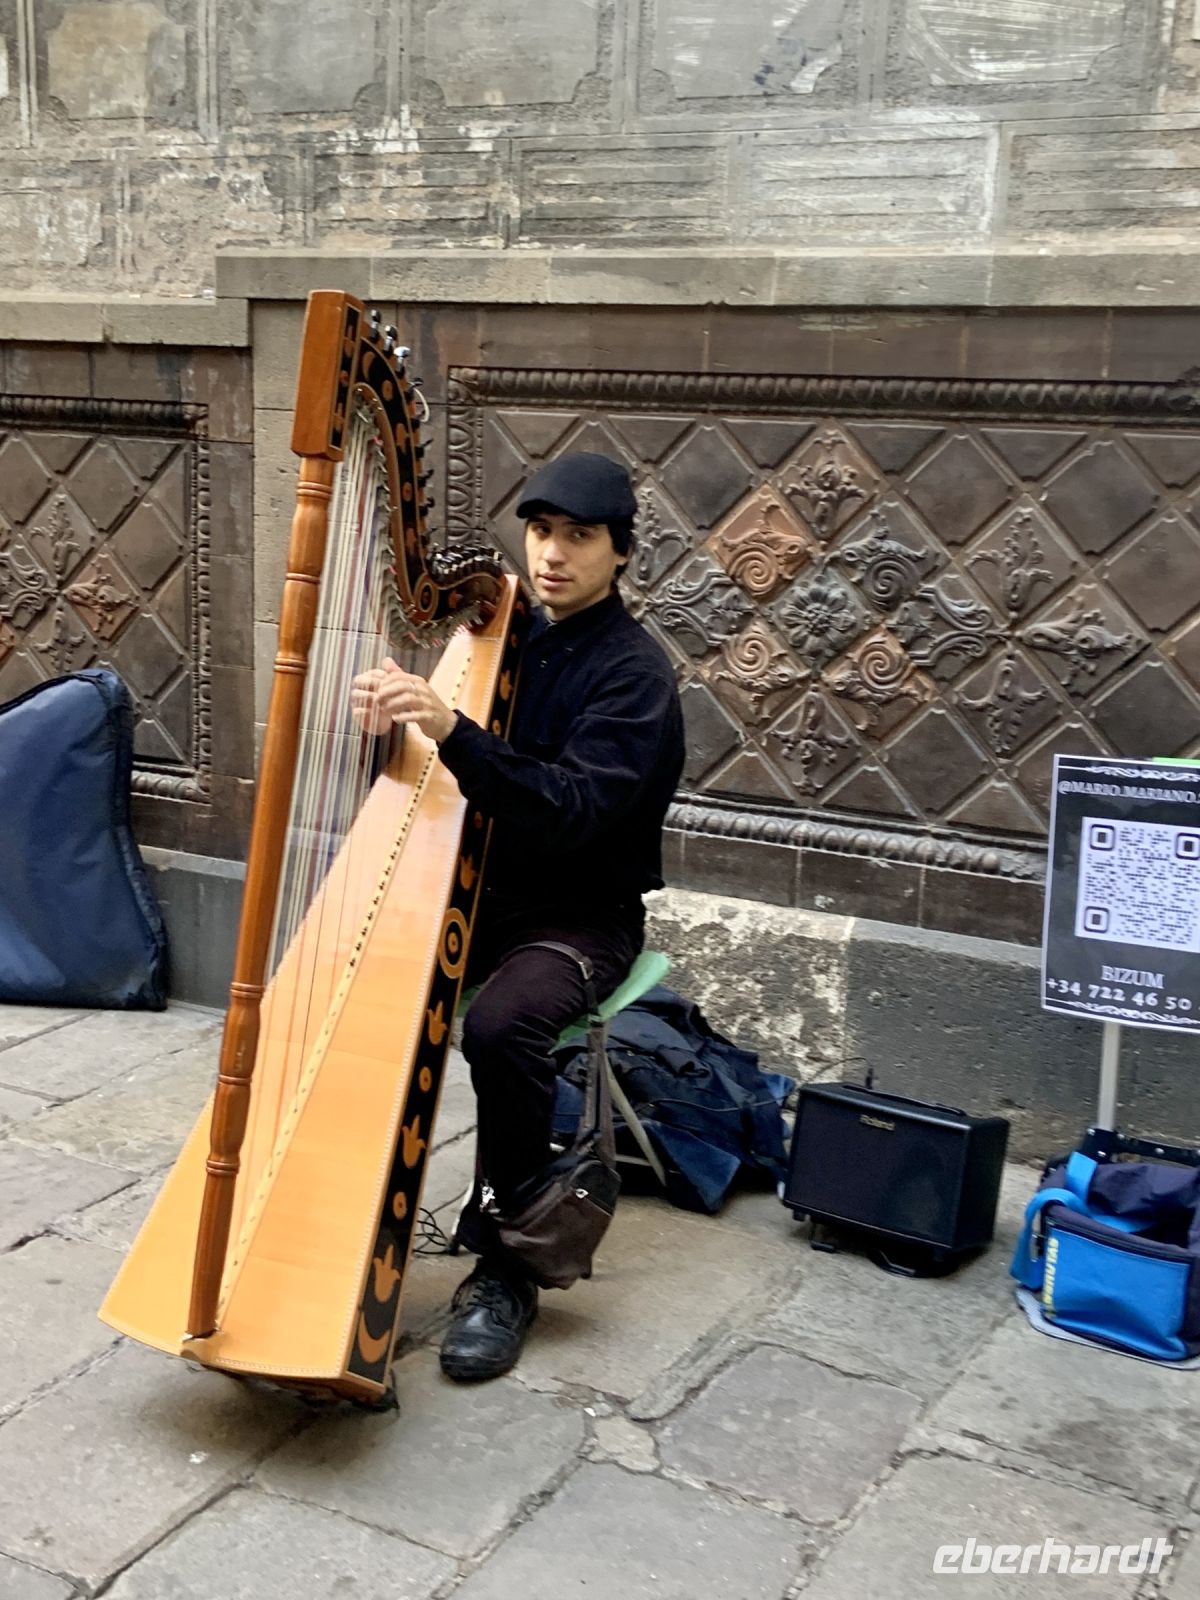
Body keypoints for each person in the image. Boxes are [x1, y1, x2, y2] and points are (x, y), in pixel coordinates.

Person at [350, 452, 685, 1381]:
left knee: (501, 1027)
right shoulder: (505, 638)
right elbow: (434, 785)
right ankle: (345, 1216)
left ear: (622, 552)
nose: (552, 554)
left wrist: (452, 732)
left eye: (580, 536)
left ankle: (508, 1268)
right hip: (474, 893)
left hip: (580, 915)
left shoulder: (635, 677)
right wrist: (388, 726)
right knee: (354, 968)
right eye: (540, 532)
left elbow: (569, 809)